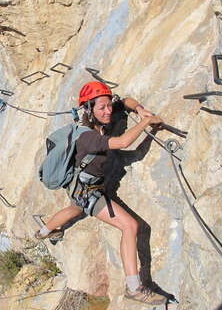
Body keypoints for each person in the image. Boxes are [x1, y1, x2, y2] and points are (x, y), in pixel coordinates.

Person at [34, 81, 167, 306]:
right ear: (89, 110)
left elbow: (124, 101)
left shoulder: (98, 116)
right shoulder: (88, 137)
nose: (108, 112)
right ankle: (134, 288)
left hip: (79, 188)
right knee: (130, 226)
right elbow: (124, 142)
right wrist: (147, 122)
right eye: (102, 108)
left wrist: (139, 108)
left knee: (73, 209)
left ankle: (44, 232)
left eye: (108, 106)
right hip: (89, 193)